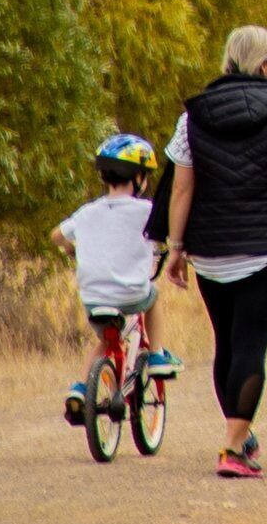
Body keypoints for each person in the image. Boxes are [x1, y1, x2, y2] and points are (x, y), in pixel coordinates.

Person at [151, 26, 267, 480]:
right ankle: (230, 449)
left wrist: (177, 248)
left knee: (226, 344)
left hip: (210, 250)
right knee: (251, 343)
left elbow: (182, 187)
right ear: (263, 64)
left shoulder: (193, 116)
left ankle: (240, 436)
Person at [53, 133, 175, 428]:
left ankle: (81, 390)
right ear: (139, 178)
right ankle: (157, 355)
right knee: (153, 295)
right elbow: (166, 231)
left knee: (105, 341)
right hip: (132, 294)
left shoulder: (87, 212)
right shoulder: (147, 211)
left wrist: (71, 247)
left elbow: (56, 236)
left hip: (94, 299)